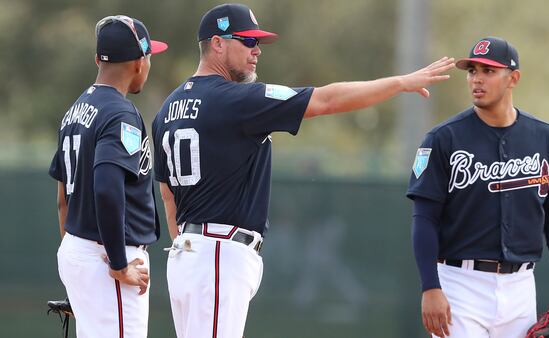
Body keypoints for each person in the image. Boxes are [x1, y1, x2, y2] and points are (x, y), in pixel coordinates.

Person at [153, 3, 454, 338]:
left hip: (189, 254)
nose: (256, 50)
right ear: (217, 43)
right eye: (247, 41)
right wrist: (400, 82)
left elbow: (167, 194)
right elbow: (326, 101)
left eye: (259, 43)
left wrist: (188, 245)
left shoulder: (168, 108)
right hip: (217, 255)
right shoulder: (236, 100)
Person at [406, 36, 549, 338]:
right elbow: (424, 218)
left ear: (513, 78)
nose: (477, 79)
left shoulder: (545, 138)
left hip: (521, 287)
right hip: (459, 284)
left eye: (488, 71)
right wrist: (430, 287)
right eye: (472, 71)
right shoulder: (443, 139)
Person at [48, 15, 167, 338]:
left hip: (79, 247)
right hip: (109, 257)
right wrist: (117, 264)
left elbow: (63, 200)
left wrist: (76, 260)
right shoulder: (120, 113)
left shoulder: (76, 110)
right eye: (150, 56)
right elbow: (106, 189)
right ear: (140, 62)